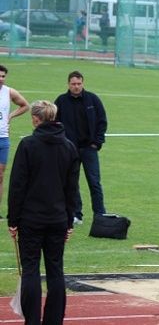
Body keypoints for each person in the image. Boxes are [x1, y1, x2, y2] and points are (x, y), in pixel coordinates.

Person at [7, 100, 79, 325]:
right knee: (56, 271)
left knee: (30, 270)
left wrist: (13, 219)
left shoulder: (28, 145)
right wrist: (69, 221)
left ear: (36, 119)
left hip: (31, 218)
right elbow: (72, 189)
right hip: (57, 218)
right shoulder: (68, 147)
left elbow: (18, 185)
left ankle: (32, 321)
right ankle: (53, 321)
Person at [54, 71, 107, 225]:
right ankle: (76, 213)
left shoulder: (92, 99)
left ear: (83, 83)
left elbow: (102, 121)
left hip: (89, 149)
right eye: (73, 84)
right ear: (68, 84)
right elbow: (55, 123)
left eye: (79, 84)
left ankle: (100, 214)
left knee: (94, 182)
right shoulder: (61, 101)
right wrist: (62, 144)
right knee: (72, 182)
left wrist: (97, 142)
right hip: (69, 150)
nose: (76, 87)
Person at [0, 65, 29, 217]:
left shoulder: (8, 92)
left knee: (0, 176)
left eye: (3, 76)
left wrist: (10, 116)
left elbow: (25, 105)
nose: (1, 79)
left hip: (3, 139)